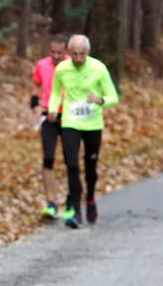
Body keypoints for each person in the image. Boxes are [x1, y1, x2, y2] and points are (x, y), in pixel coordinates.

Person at [47, 34, 118, 228]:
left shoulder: (98, 68)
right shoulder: (62, 69)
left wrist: (100, 100)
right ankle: (76, 211)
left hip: (93, 124)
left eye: (82, 54)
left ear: (88, 52)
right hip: (71, 122)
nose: (78, 58)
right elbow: (55, 93)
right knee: (71, 165)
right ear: (69, 52)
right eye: (75, 54)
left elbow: (113, 96)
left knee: (90, 166)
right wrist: (53, 108)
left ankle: (91, 198)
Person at [31, 34, 68, 219]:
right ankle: (51, 202)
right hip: (48, 116)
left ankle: (71, 200)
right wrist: (35, 106)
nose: (56, 56)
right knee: (48, 158)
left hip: (69, 116)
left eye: (60, 53)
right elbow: (37, 86)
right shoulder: (42, 65)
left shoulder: (72, 64)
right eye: (53, 52)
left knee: (71, 161)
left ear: (66, 52)